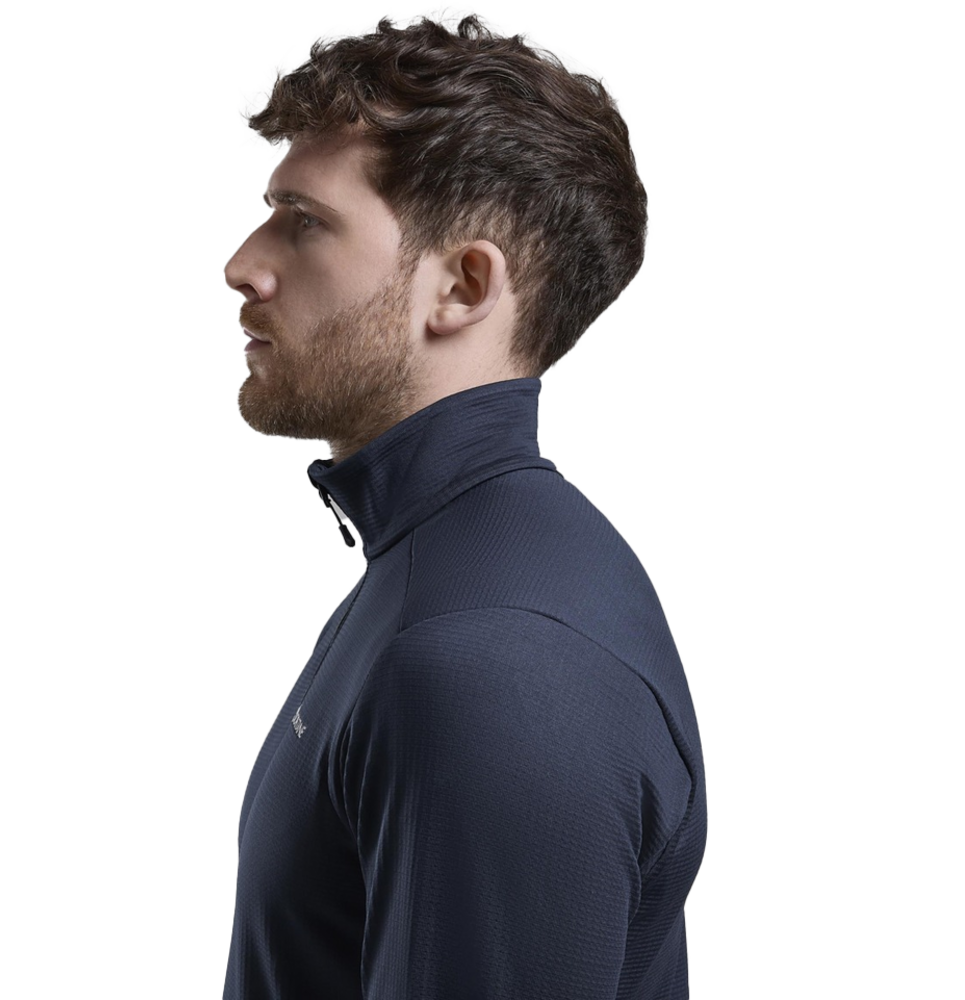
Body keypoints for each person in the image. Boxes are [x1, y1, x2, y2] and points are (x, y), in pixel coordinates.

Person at [222, 9, 705, 998]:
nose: (242, 265)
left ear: (462, 285)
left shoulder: (488, 662)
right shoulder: (438, 569)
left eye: (304, 222)